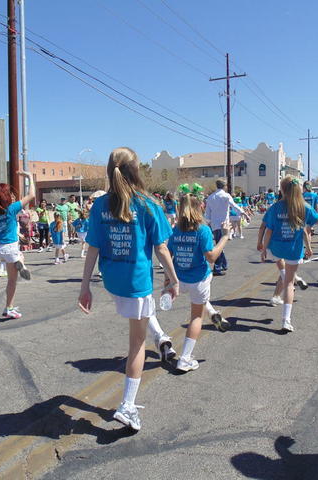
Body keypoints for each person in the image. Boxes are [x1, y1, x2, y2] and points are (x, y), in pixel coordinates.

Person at [78, 147, 179, 431]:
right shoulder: (148, 204)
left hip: (113, 281)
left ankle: (160, 336)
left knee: (143, 320)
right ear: (136, 169)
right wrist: (173, 279)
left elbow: (93, 247)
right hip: (136, 283)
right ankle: (127, 406)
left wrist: (85, 286)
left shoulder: (99, 205)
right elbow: (161, 247)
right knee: (136, 346)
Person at [166, 192, 231, 372]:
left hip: (180, 279)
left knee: (201, 302)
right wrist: (225, 237)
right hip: (198, 280)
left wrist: (168, 281)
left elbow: (168, 256)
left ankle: (211, 311)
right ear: (199, 208)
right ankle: (185, 358)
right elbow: (211, 257)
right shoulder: (203, 230)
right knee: (196, 317)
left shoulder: (175, 230)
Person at [260, 177, 318, 332]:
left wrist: (264, 248)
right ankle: (286, 320)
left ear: (282, 190)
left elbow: (268, 230)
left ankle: (287, 281)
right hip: (293, 249)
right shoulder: (304, 207)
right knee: (289, 284)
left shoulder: (275, 207)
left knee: (282, 269)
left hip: (276, 248)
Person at [0, 171, 34, 319]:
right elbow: (31, 195)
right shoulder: (11, 209)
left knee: (17, 258)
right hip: (10, 247)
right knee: (12, 280)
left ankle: (19, 262)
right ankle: (9, 308)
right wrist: (29, 176)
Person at [204, 179, 249, 275]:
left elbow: (207, 213)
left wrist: (207, 222)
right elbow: (234, 206)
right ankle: (218, 267)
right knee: (220, 245)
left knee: (219, 243)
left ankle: (223, 264)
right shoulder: (226, 196)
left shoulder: (211, 197)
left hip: (214, 224)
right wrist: (244, 213)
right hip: (224, 224)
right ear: (224, 186)